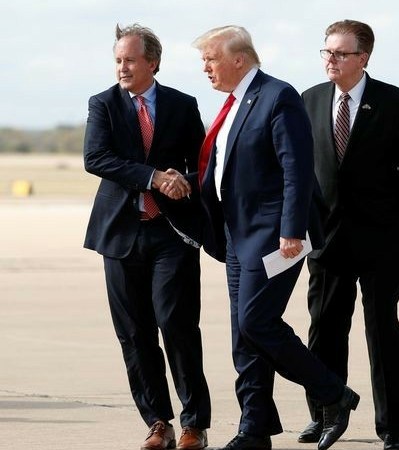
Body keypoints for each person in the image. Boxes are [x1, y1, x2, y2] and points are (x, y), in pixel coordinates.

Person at [190, 25, 359, 450]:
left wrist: (291, 230)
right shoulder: (232, 104)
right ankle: (254, 429)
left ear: (238, 59)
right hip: (236, 234)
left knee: (256, 322)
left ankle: (334, 394)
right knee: (243, 335)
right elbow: (229, 169)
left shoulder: (277, 96)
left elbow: (296, 169)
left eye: (210, 59)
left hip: (274, 236)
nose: (205, 68)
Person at [299, 20, 399, 450]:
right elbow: (298, 171)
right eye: (327, 51)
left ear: (363, 58)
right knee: (324, 329)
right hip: (325, 238)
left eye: (340, 53)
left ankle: (393, 429)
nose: (331, 60)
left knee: (382, 330)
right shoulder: (309, 99)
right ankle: (323, 416)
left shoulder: (393, 101)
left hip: (382, 237)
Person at [83, 23, 211, 450]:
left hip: (171, 233)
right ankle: (159, 423)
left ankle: (195, 424)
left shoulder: (182, 104)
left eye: (130, 60)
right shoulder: (103, 104)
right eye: (118, 60)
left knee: (177, 325)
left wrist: (181, 180)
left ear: (152, 62)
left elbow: (203, 165)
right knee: (135, 334)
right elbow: (96, 158)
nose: (122, 67)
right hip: (120, 234)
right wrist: (154, 177)